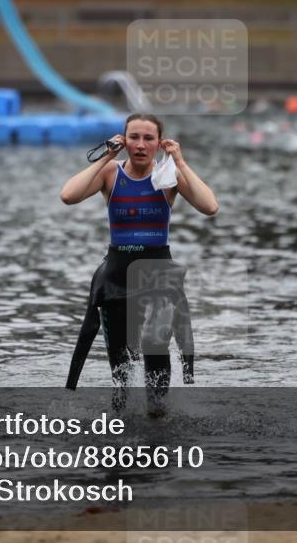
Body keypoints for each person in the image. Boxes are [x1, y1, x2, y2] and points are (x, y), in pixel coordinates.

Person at [61, 114, 218, 412]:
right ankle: (121, 431)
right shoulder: (110, 173)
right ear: (124, 140)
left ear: (160, 144)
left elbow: (210, 206)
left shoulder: (167, 176)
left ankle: (158, 423)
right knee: (121, 372)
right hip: (116, 279)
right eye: (134, 137)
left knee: (156, 359)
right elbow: (68, 195)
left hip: (158, 279)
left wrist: (181, 162)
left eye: (149, 138)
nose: (141, 145)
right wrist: (106, 155)